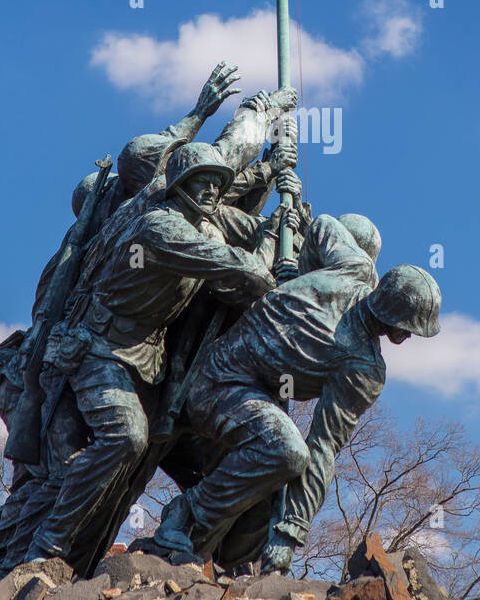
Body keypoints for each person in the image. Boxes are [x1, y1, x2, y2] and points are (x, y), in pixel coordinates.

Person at [22, 87, 300, 575]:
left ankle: (202, 548)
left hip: (148, 364)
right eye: (203, 183)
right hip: (101, 351)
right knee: (124, 439)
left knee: (175, 456)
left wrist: (277, 186)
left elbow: (235, 233)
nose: (214, 192)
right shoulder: (161, 228)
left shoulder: (195, 218)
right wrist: (262, 113)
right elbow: (241, 271)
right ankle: (47, 546)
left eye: (217, 183)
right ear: (177, 186)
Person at [151, 213, 441, 572]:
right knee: (287, 452)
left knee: (269, 493)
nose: (410, 336)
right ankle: (184, 513)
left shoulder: (355, 267)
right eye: (409, 327)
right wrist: (291, 533)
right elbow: (321, 448)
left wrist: (289, 527)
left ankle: (220, 560)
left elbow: (321, 225)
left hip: (247, 392)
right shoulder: (362, 367)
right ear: (394, 317)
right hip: (217, 382)